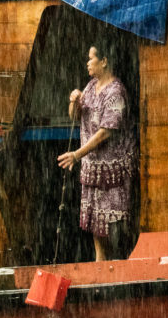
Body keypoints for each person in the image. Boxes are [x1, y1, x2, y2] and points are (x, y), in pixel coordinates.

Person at [56, 42, 137, 261]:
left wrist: (77, 154)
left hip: (112, 172)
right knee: (96, 225)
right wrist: (73, 102)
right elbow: (75, 116)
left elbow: (105, 132)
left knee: (113, 224)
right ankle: (100, 265)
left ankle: (116, 267)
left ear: (104, 61)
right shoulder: (91, 86)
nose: (87, 62)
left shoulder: (116, 92)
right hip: (92, 169)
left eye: (91, 58)